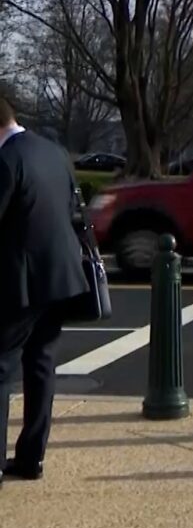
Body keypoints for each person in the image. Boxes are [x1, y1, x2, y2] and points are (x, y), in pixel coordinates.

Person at [0, 94, 91, 486]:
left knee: (1, 370)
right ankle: (31, 457)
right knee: (41, 366)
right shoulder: (53, 152)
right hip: (62, 278)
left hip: (23, 283)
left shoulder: (7, 160)